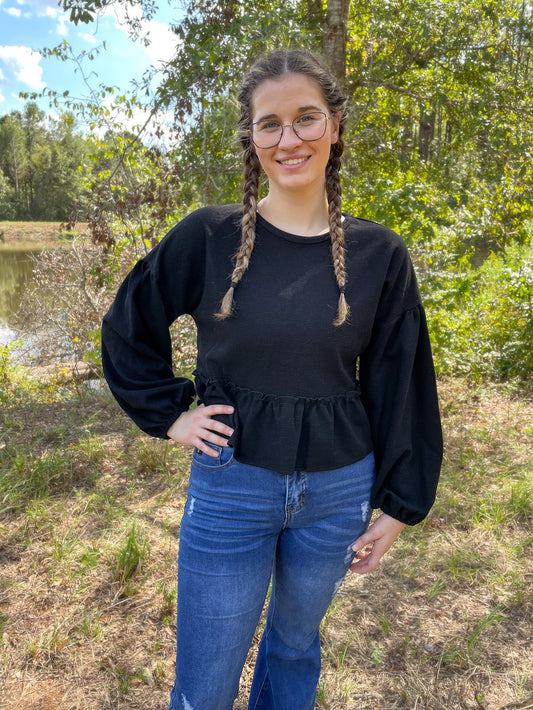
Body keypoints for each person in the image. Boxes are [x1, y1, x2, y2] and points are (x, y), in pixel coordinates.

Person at [101, 48, 443, 710]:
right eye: (270, 124)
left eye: (306, 118)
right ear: (252, 138)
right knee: (204, 682)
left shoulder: (379, 255)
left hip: (338, 493)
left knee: (293, 651)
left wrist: (399, 507)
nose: (289, 139)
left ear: (335, 126)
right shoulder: (207, 237)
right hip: (231, 487)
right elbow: (127, 325)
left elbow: (402, 383)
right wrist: (171, 416)